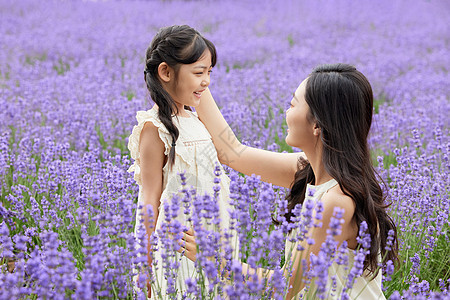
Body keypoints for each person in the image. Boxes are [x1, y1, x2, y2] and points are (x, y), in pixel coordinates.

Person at [180, 64, 399, 299]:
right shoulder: (309, 169)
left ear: (317, 125)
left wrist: (213, 260)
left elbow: (283, 286)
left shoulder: (336, 202)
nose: (286, 112)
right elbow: (232, 152)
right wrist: (195, 76)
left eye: (293, 104)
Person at [127, 25, 238, 298]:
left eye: (209, 73)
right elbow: (149, 199)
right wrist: (144, 264)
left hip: (213, 236)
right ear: (165, 72)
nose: (206, 82)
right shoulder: (155, 129)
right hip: (177, 245)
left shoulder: (196, 118)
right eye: (199, 73)